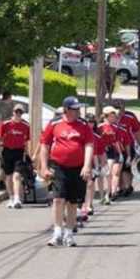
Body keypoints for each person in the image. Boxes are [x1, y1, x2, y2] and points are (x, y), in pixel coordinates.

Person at [40, 97, 94, 247]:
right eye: (75, 109)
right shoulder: (54, 124)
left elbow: (89, 145)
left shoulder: (83, 125)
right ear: (66, 110)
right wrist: (44, 167)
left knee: (72, 202)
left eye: (78, 109)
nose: (78, 111)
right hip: (59, 167)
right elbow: (44, 145)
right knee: (58, 199)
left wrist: (87, 165)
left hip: (78, 168)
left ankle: (69, 234)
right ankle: (57, 232)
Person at [0, 104, 30, 208]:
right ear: (13, 112)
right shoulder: (5, 124)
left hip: (19, 152)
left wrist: (28, 154)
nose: (18, 114)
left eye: (20, 112)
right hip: (7, 151)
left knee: (17, 175)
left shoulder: (26, 125)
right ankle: (11, 197)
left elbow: (27, 141)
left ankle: (17, 198)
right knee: (8, 176)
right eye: (16, 112)